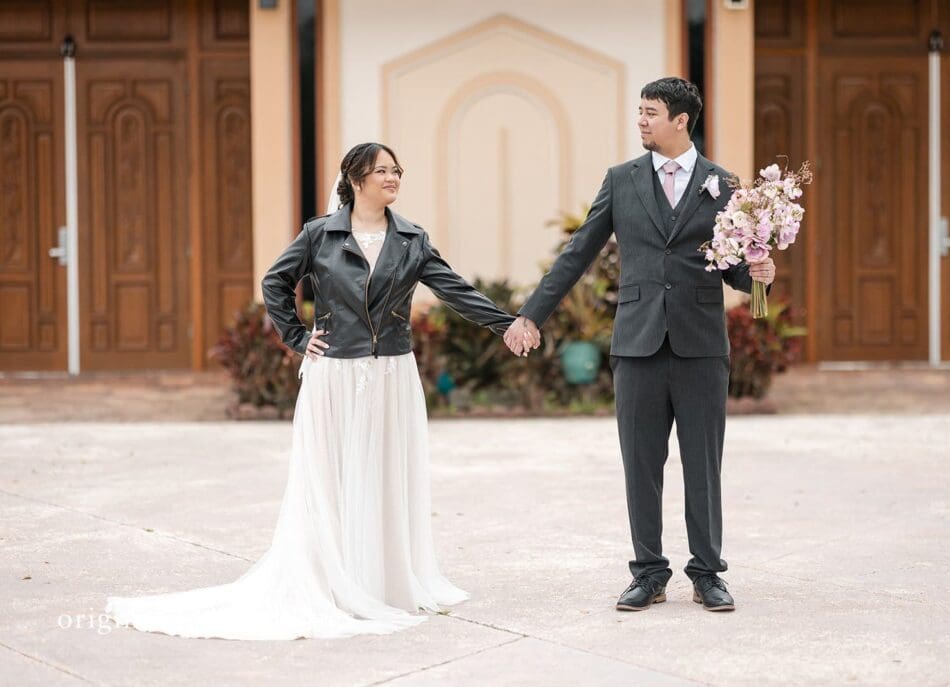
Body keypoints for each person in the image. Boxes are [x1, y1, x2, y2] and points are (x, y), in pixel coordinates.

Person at [105, 142, 517, 639]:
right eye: (382, 170)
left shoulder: (411, 239)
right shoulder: (320, 235)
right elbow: (275, 282)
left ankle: (380, 579)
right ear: (356, 179)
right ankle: (337, 579)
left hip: (391, 374)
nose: (393, 178)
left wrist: (508, 325)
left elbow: (455, 290)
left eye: (397, 170)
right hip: (335, 375)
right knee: (333, 473)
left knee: (384, 471)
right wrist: (299, 338)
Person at [504, 77, 775, 612]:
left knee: (703, 464)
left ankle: (707, 573)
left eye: (651, 113)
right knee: (641, 464)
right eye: (639, 112)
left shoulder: (723, 183)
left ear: (681, 120)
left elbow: (738, 271)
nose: (641, 122)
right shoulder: (621, 180)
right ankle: (648, 572)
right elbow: (578, 252)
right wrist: (530, 315)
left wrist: (761, 272)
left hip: (700, 345)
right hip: (637, 344)